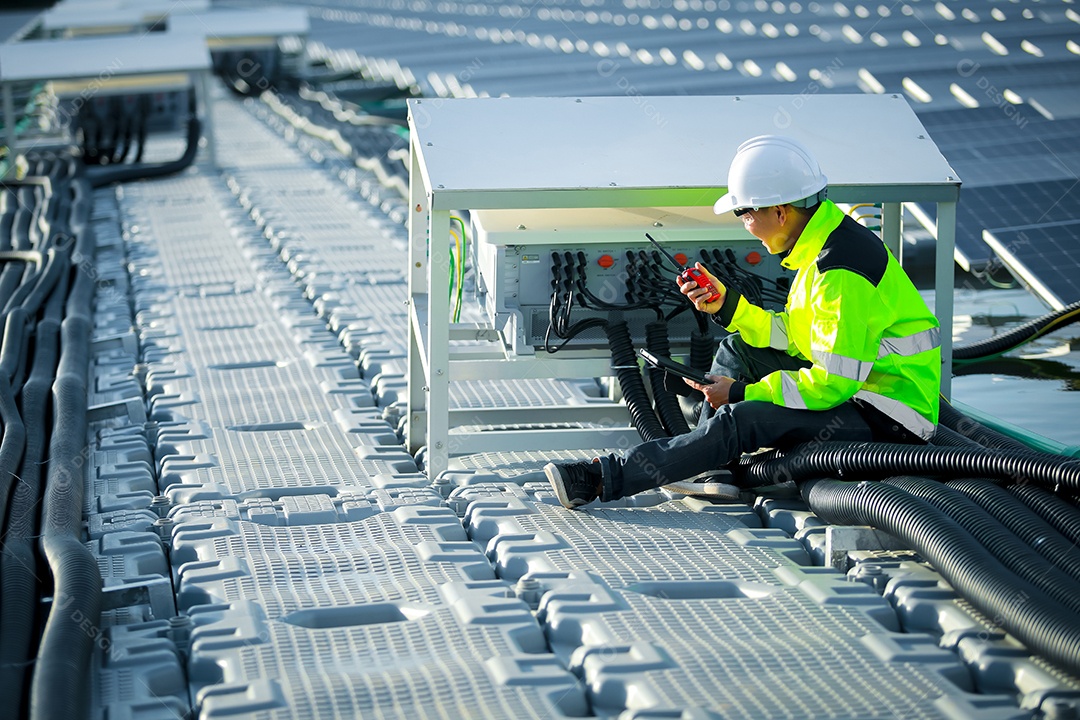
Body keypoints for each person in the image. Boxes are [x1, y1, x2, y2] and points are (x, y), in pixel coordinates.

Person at [544, 135, 941, 509]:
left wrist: (740, 393)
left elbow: (833, 383)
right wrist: (728, 306)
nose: (743, 225)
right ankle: (710, 466)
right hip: (862, 394)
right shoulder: (824, 245)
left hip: (888, 422)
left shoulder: (838, 271)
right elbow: (799, 337)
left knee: (745, 418)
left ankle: (600, 478)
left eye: (743, 213)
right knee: (736, 348)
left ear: (780, 212)